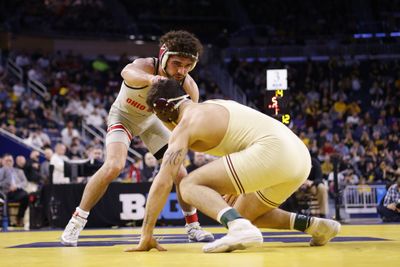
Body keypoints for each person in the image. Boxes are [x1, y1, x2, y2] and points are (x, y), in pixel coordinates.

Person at [125, 79, 341, 253]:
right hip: (299, 159)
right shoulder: (216, 105)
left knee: (188, 185)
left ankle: (238, 229)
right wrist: (234, 186)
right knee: (242, 214)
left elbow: (164, 181)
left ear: (164, 109)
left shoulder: (186, 124)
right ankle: (317, 226)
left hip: (272, 151)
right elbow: (241, 140)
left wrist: (146, 233)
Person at [61, 30, 213, 246]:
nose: (181, 71)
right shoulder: (144, 66)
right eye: (177, 63)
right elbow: (126, 72)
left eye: (188, 66)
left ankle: (193, 226)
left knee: (179, 171)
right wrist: (154, 80)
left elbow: (188, 124)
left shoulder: (188, 87)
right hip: (123, 117)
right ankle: (75, 222)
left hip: (152, 122)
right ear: (164, 56)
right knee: (114, 165)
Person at [0, 154, 29, 227]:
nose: (9, 162)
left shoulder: (19, 171)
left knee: (26, 195)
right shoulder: (1, 171)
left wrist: (16, 186)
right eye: (7, 160)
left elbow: (25, 182)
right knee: (4, 198)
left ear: (13, 162)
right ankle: (7, 221)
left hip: (16, 192)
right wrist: (7, 184)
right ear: (2, 161)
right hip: (5, 192)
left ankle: (20, 217)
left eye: (10, 160)